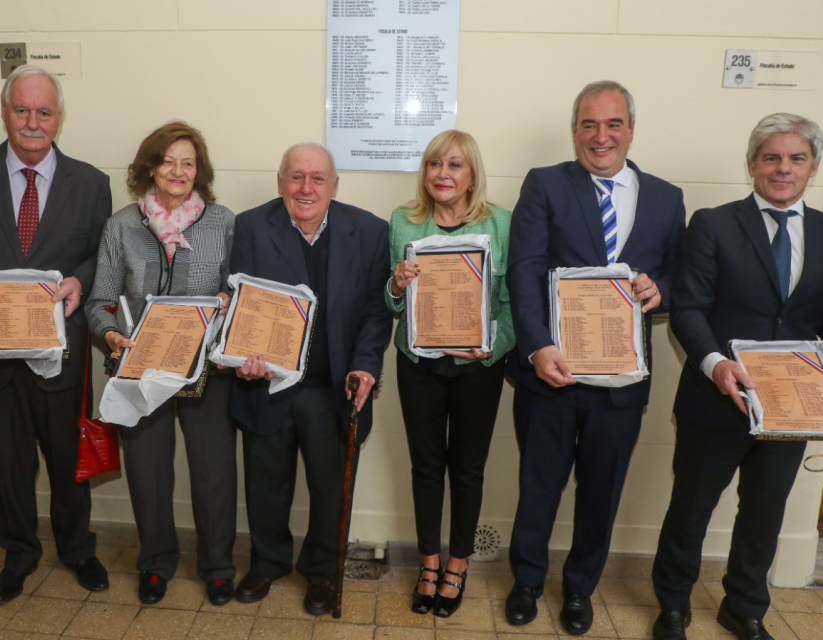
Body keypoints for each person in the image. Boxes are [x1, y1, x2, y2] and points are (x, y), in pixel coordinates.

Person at [651, 113, 823, 640]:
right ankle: (672, 604)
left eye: (796, 158)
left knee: (765, 512)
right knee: (691, 509)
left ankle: (744, 607)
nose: (783, 168)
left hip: (792, 404)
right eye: (772, 157)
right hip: (716, 396)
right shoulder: (713, 224)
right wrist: (715, 364)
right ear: (751, 164)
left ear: (813, 167)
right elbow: (689, 309)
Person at [505, 80, 686, 635]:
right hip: (550, 371)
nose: (600, 136)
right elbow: (524, 270)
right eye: (589, 124)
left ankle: (580, 588)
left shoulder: (666, 197)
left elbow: (681, 276)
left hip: (623, 381)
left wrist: (662, 290)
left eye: (612, 124)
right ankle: (527, 580)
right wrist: (537, 346)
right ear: (574, 131)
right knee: (539, 485)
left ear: (631, 130)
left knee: (601, 494)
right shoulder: (545, 184)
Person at [0, 65, 111, 606]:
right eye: (22, 109)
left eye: (44, 111)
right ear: (5, 112)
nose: (33, 121)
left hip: (60, 352)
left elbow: (100, 255)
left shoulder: (92, 182)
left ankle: (77, 549)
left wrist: (81, 280)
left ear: (59, 118)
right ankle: (18, 554)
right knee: (6, 465)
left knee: (68, 461)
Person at [228, 142, 391, 615]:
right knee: (265, 484)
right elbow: (240, 302)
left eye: (317, 178)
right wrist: (241, 355)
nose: (306, 188)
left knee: (330, 488)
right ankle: (268, 561)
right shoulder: (252, 226)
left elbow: (376, 312)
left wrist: (366, 365)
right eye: (296, 176)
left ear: (334, 185)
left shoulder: (370, 230)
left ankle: (321, 571)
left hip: (333, 388)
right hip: (268, 384)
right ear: (280, 182)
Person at [84, 121, 238, 606]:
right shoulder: (122, 225)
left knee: (214, 471)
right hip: (142, 367)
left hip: (206, 369)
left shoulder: (223, 222)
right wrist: (110, 333)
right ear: (150, 167)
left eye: (188, 162)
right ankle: (155, 562)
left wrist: (228, 299)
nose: (178, 170)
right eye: (168, 160)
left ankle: (217, 566)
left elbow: (238, 288)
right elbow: (100, 300)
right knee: (148, 471)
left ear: (199, 171)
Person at [385, 130, 514, 618]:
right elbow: (391, 302)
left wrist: (495, 345)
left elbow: (513, 302)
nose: (442, 174)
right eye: (434, 164)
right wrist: (396, 285)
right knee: (424, 467)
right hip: (419, 364)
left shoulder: (501, 223)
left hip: (478, 367)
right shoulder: (403, 221)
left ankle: (457, 565)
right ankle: (429, 564)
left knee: (467, 468)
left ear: (472, 175)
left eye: (455, 165)